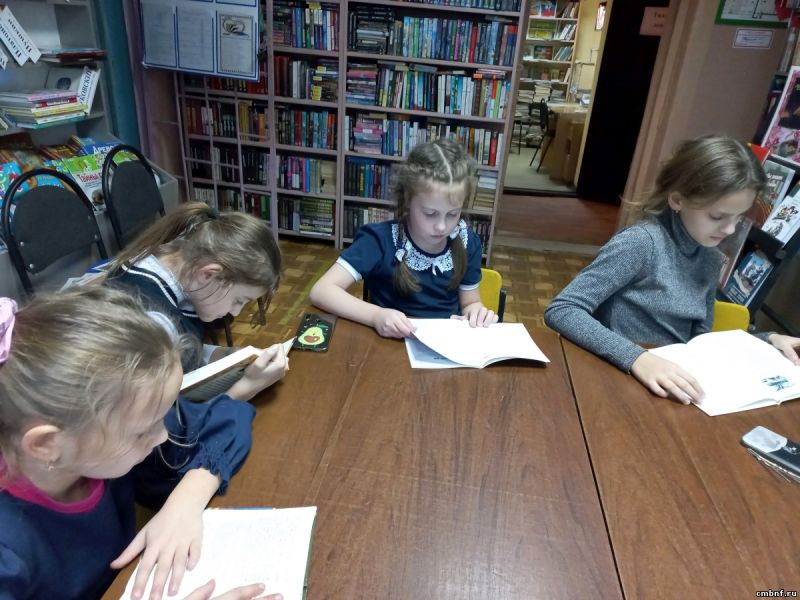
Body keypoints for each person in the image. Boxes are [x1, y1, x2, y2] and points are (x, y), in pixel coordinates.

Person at [0, 288, 277, 600]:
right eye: (143, 432)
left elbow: (227, 418)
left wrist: (187, 498)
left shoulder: (99, 434)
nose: (162, 436)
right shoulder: (9, 545)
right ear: (46, 444)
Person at [544, 135, 800, 405]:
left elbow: (703, 341)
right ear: (677, 200)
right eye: (717, 216)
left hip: (673, 385)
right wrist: (637, 357)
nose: (729, 229)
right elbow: (562, 310)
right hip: (620, 380)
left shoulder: (711, 258)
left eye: (738, 217)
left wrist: (768, 340)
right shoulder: (641, 243)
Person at [309, 138, 497, 338]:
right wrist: (376, 316)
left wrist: (475, 312)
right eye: (430, 213)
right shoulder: (379, 240)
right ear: (407, 199)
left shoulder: (468, 242)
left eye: (452, 214)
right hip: (389, 344)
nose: (442, 226)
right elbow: (321, 291)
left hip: (445, 344)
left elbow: (470, 302)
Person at [103, 202, 287, 401]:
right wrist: (249, 386)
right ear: (208, 274)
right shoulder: (151, 323)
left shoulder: (176, 268)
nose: (235, 312)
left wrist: (230, 358)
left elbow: (181, 349)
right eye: (239, 300)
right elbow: (168, 415)